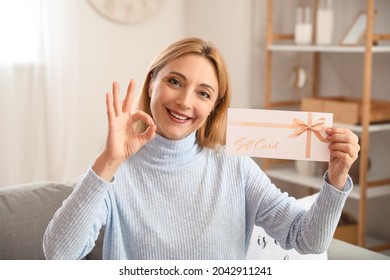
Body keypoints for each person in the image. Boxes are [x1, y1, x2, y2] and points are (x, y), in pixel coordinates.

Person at [43, 37, 360, 260]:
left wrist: (335, 179)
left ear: (214, 107)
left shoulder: (234, 166)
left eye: (204, 93)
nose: (185, 101)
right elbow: (59, 254)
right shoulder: (116, 169)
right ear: (152, 82)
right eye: (175, 82)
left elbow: (306, 239)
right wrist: (108, 161)